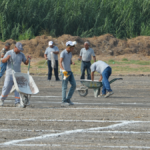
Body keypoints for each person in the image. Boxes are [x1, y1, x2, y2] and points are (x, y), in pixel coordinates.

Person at [0, 42, 31, 107]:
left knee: (18, 89)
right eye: (18, 49)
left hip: (17, 74)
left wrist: (28, 59)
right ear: (15, 47)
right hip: (9, 74)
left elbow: (25, 62)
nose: (19, 50)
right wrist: (7, 58)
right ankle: (2, 99)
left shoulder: (21, 54)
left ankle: (17, 102)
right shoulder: (9, 53)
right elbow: (2, 61)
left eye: (20, 49)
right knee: (6, 87)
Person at [59, 41, 76, 106]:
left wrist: (72, 62)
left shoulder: (70, 53)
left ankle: (68, 99)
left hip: (70, 71)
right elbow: (60, 62)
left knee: (74, 85)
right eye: (72, 47)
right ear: (68, 47)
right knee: (64, 87)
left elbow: (69, 60)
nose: (73, 49)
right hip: (64, 72)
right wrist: (63, 70)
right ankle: (63, 101)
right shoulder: (63, 53)